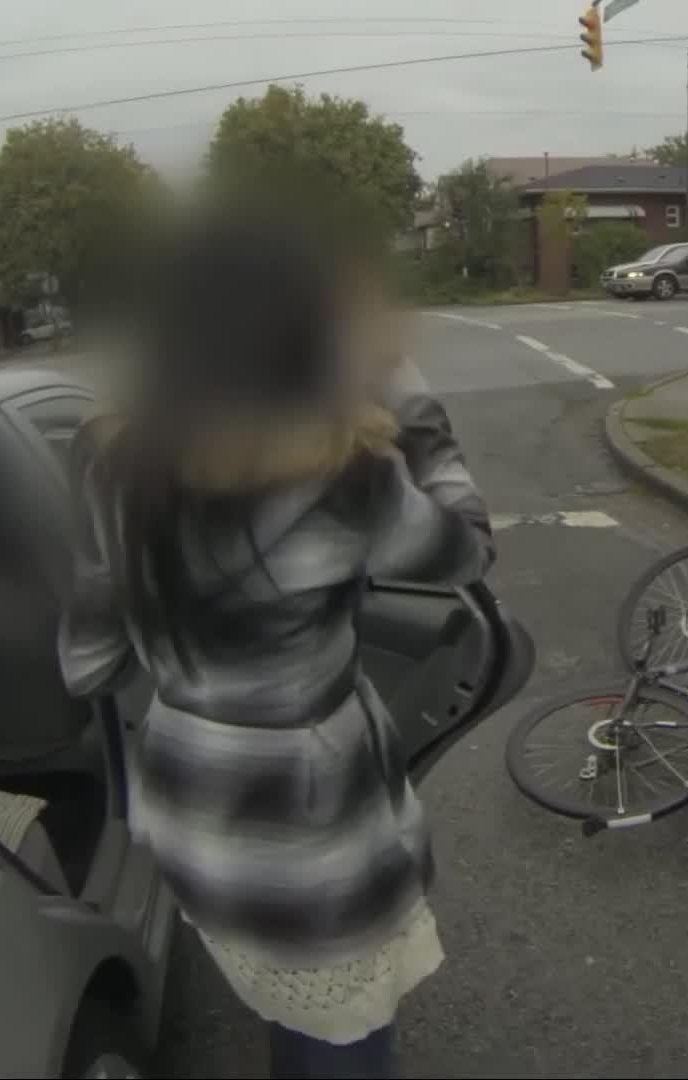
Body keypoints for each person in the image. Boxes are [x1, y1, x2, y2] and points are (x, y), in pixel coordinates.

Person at [55, 203, 492, 1080]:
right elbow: (467, 545)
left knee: (289, 1010)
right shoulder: (345, 482)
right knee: (341, 1044)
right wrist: (406, 386)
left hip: (195, 824)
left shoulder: (113, 469)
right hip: (312, 843)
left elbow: (87, 658)